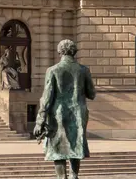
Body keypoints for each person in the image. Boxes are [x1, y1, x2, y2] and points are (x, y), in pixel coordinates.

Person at [34, 39, 96, 179]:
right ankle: (74, 175)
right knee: (76, 145)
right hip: (78, 113)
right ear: (74, 51)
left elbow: (47, 97)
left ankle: (61, 177)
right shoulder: (84, 70)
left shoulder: (53, 70)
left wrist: (40, 120)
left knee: (58, 149)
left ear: (60, 51)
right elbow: (92, 94)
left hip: (58, 115)